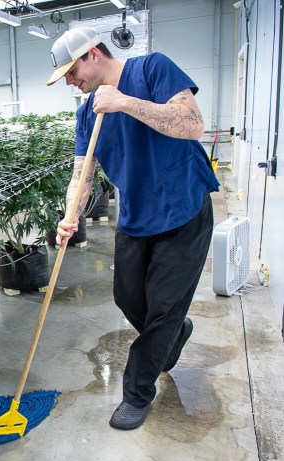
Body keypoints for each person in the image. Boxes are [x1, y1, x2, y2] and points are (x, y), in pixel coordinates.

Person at [47, 26, 220, 430]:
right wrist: (70, 213)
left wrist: (125, 103)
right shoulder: (86, 113)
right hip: (137, 216)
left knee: (162, 307)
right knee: (128, 297)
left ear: (92, 54)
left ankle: (137, 394)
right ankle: (175, 332)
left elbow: (193, 124)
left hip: (183, 211)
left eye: (71, 72)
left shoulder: (153, 70)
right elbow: (82, 174)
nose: (71, 82)